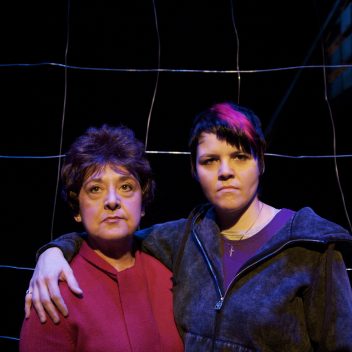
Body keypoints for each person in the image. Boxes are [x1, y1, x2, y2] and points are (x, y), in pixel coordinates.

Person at [25, 102, 352, 351]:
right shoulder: (182, 239)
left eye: (239, 156)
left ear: (261, 162)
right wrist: (54, 250)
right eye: (210, 160)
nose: (225, 171)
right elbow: (112, 228)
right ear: (194, 170)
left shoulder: (311, 248)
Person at [20, 125, 184, 352]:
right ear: (77, 208)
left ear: (143, 202)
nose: (112, 200)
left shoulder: (170, 273)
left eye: (126, 187)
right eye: (95, 189)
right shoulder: (54, 291)